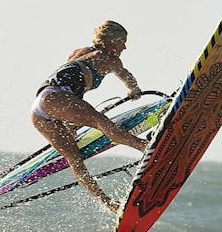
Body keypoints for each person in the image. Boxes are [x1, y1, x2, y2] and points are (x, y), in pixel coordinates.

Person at [30, 20, 147, 214]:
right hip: (57, 98)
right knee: (101, 122)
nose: (124, 47)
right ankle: (144, 147)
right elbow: (127, 76)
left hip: (40, 109)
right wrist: (134, 90)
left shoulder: (79, 52)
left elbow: (70, 79)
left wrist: (71, 120)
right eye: (122, 41)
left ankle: (109, 204)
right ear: (110, 41)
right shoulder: (110, 59)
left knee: (75, 160)